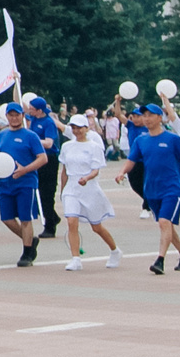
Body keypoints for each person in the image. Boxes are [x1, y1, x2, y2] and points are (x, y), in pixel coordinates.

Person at [129, 102, 180, 274]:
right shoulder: (141, 140)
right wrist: (121, 173)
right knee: (166, 224)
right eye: (144, 115)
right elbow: (131, 161)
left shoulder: (173, 139)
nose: (146, 119)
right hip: (152, 190)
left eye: (150, 115)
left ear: (159, 118)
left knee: (164, 222)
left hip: (173, 188)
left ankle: (160, 260)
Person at [54, 113, 120, 270]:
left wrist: (87, 178)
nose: (76, 131)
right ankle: (75, 258)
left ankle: (115, 250)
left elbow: (95, 170)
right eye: (73, 128)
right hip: (72, 188)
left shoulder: (94, 147)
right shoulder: (67, 146)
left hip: (89, 189)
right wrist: (63, 190)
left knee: (96, 227)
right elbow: (64, 170)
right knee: (71, 221)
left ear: (86, 128)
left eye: (79, 128)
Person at [0, 103, 48, 266]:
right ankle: (30, 240)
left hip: (25, 183)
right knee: (7, 218)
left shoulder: (30, 136)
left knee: (25, 218)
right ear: (6, 116)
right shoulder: (2, 135)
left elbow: (42, 158)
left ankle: (27, 252)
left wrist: (25, 170)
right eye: (11, 115)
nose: (14, 118)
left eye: (17, 115)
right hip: (5, 183)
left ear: (22, 115)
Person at [24, 95, 64, 239]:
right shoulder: (34, 119)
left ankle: (50, 226)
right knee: (37, 193)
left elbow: (49, 143)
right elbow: (21, 105)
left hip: (49, 159)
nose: (30, 111)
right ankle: (52, 216)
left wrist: (34, 140)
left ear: (39, 110)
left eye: (32, 109)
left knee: (47, 193)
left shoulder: (48, 122)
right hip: (38, 158)